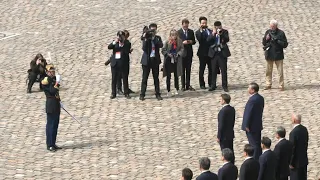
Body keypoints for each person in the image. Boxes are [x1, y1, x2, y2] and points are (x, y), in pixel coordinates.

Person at [140, 23, 163, 101]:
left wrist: (153, 38)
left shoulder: (157, 38)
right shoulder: (146, 38)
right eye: (151, 30)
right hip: (146, 60)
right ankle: (142, 94)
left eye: (154, 30)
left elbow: (160, 45)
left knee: (156, 78)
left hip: (155, 60)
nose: (153, 31)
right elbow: (144, 48)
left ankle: (158, 93)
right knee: (144, 78)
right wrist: (146, 37)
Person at [262, 20, 288, 91]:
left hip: (278, 54)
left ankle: (281, 85)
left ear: (276, 26)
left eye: (273, 26)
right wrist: (266, 39)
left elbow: (285, 44)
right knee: (268, 71)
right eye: (271, 26)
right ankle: (268, 84)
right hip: (269, 54)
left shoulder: (281, 33)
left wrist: (278, 41)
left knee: (280, 72)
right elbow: (264, 43)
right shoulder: (268, 32)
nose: (272, 28)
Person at [41, 65, 62, 152]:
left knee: (55, 125)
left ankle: (53, 143)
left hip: (56, 104)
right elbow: (52, 91)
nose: (53, 72)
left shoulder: (52, 79)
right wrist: (57, 83)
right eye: (51, 71)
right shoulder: (46, 81)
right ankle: (49, 144)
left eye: (53, 71)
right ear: (47, 72)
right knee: (50, 126)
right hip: (51, 105)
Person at [242, 82, 264, 160]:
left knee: (254, 144)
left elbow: (249, 113)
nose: (248, 89)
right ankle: (259, 157)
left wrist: (246, 125)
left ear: (253, 90)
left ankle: (255, 159)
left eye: (249, 88)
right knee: (257, 143)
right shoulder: (260, 98)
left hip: (251, 126)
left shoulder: (252, 100)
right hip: (257, 124)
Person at [208, 21, 231, 92]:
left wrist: (220, 34)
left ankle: (225, 86)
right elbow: (208, 40)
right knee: (213, 70)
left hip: (222, 53)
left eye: (219, 27)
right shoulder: (211, 32)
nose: (218, 28)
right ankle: (213, 85)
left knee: (223, 70)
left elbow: (227, 39)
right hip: (214, 54)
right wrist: (213, 34)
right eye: (217, 27)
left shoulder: (224, 32)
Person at [108, 31, 131, 99]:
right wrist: (115, 42)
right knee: (114, 78)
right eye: (119, 36)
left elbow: (126, 51)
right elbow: (109, 47)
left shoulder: (127, 43)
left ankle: (126, 92)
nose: (120, 38)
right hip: (115, 63)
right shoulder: (115, 43)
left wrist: (122, 44)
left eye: (122, 36)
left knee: (125, 78)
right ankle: (113, 93)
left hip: (123, 63)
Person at [161, 29, 185, 97]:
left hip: (176, 60)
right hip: (169, 60)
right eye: (172, 35)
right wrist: (168, 54)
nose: (174, 36)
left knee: (176, 75)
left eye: (175, 35)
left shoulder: (179, 41)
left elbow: (182, 49)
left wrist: (178, 54)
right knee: (168, 76)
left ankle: (177, 88)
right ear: (170, 35)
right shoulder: (167, 42)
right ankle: (168, 90)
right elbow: (163, 50)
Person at [177, 18, 196, 91]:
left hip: (189, 53)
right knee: (182, 70)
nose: (186, 27)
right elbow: (177, 42)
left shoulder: (191, 32)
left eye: (187, 25)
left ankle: (188, 84)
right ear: (182, 25)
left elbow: (194, 41)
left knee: (188, 69)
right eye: (184, 26)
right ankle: (183, 85)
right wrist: (182, 43)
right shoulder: (179, 32)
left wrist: (190, 41)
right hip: (182, 53)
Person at [289, 114, 309, 180]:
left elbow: (292, 148)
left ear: (294, 120)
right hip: (303, 160)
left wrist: (291, 162)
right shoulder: (304, 129)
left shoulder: (293, 133)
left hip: (296, 163)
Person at [195, 16, 213, 89]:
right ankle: (202, 84)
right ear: (200, 23)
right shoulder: (198, 32)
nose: (204, 24)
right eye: (202, 23)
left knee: (211, 68)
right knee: (202, 69)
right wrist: (201, 30)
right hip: (202, 53)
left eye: (205, 23)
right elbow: (200, 39)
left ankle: (210, 83)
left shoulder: (210, 31)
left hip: (210, 52)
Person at [116, 30, 135, 95]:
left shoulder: (127, 43)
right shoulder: (117, 42)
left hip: (125, 61)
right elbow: (116, 51)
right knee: (119, 75)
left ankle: (126, 89)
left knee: (125, 75)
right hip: (118, 61)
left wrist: (128, 51)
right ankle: (119, 88)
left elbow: (126, 51)